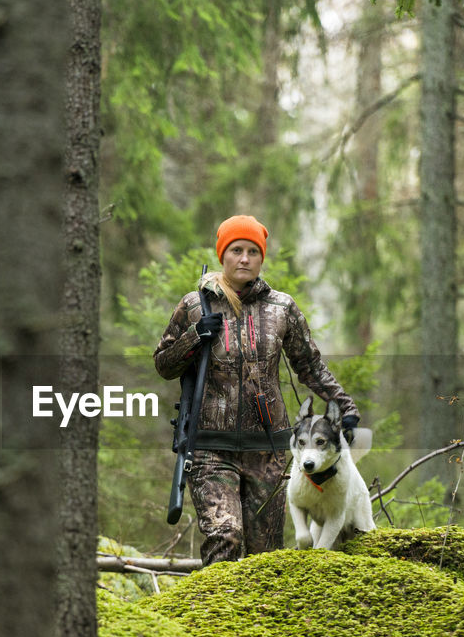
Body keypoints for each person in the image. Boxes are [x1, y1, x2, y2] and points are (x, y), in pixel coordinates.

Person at [154, 214, 360, 565]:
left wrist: (345, 407)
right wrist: (194, 336)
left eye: (252, 251)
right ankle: (212, 619)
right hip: (209, 448)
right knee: (225, 536)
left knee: (265, 556)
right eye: (236, 250)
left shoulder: (282, 308)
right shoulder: (194, 305)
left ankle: (257, 622)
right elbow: (163, 364)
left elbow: (309, 366)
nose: (245, 258)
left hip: (268, 450)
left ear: (261, 257)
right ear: (223, 255)